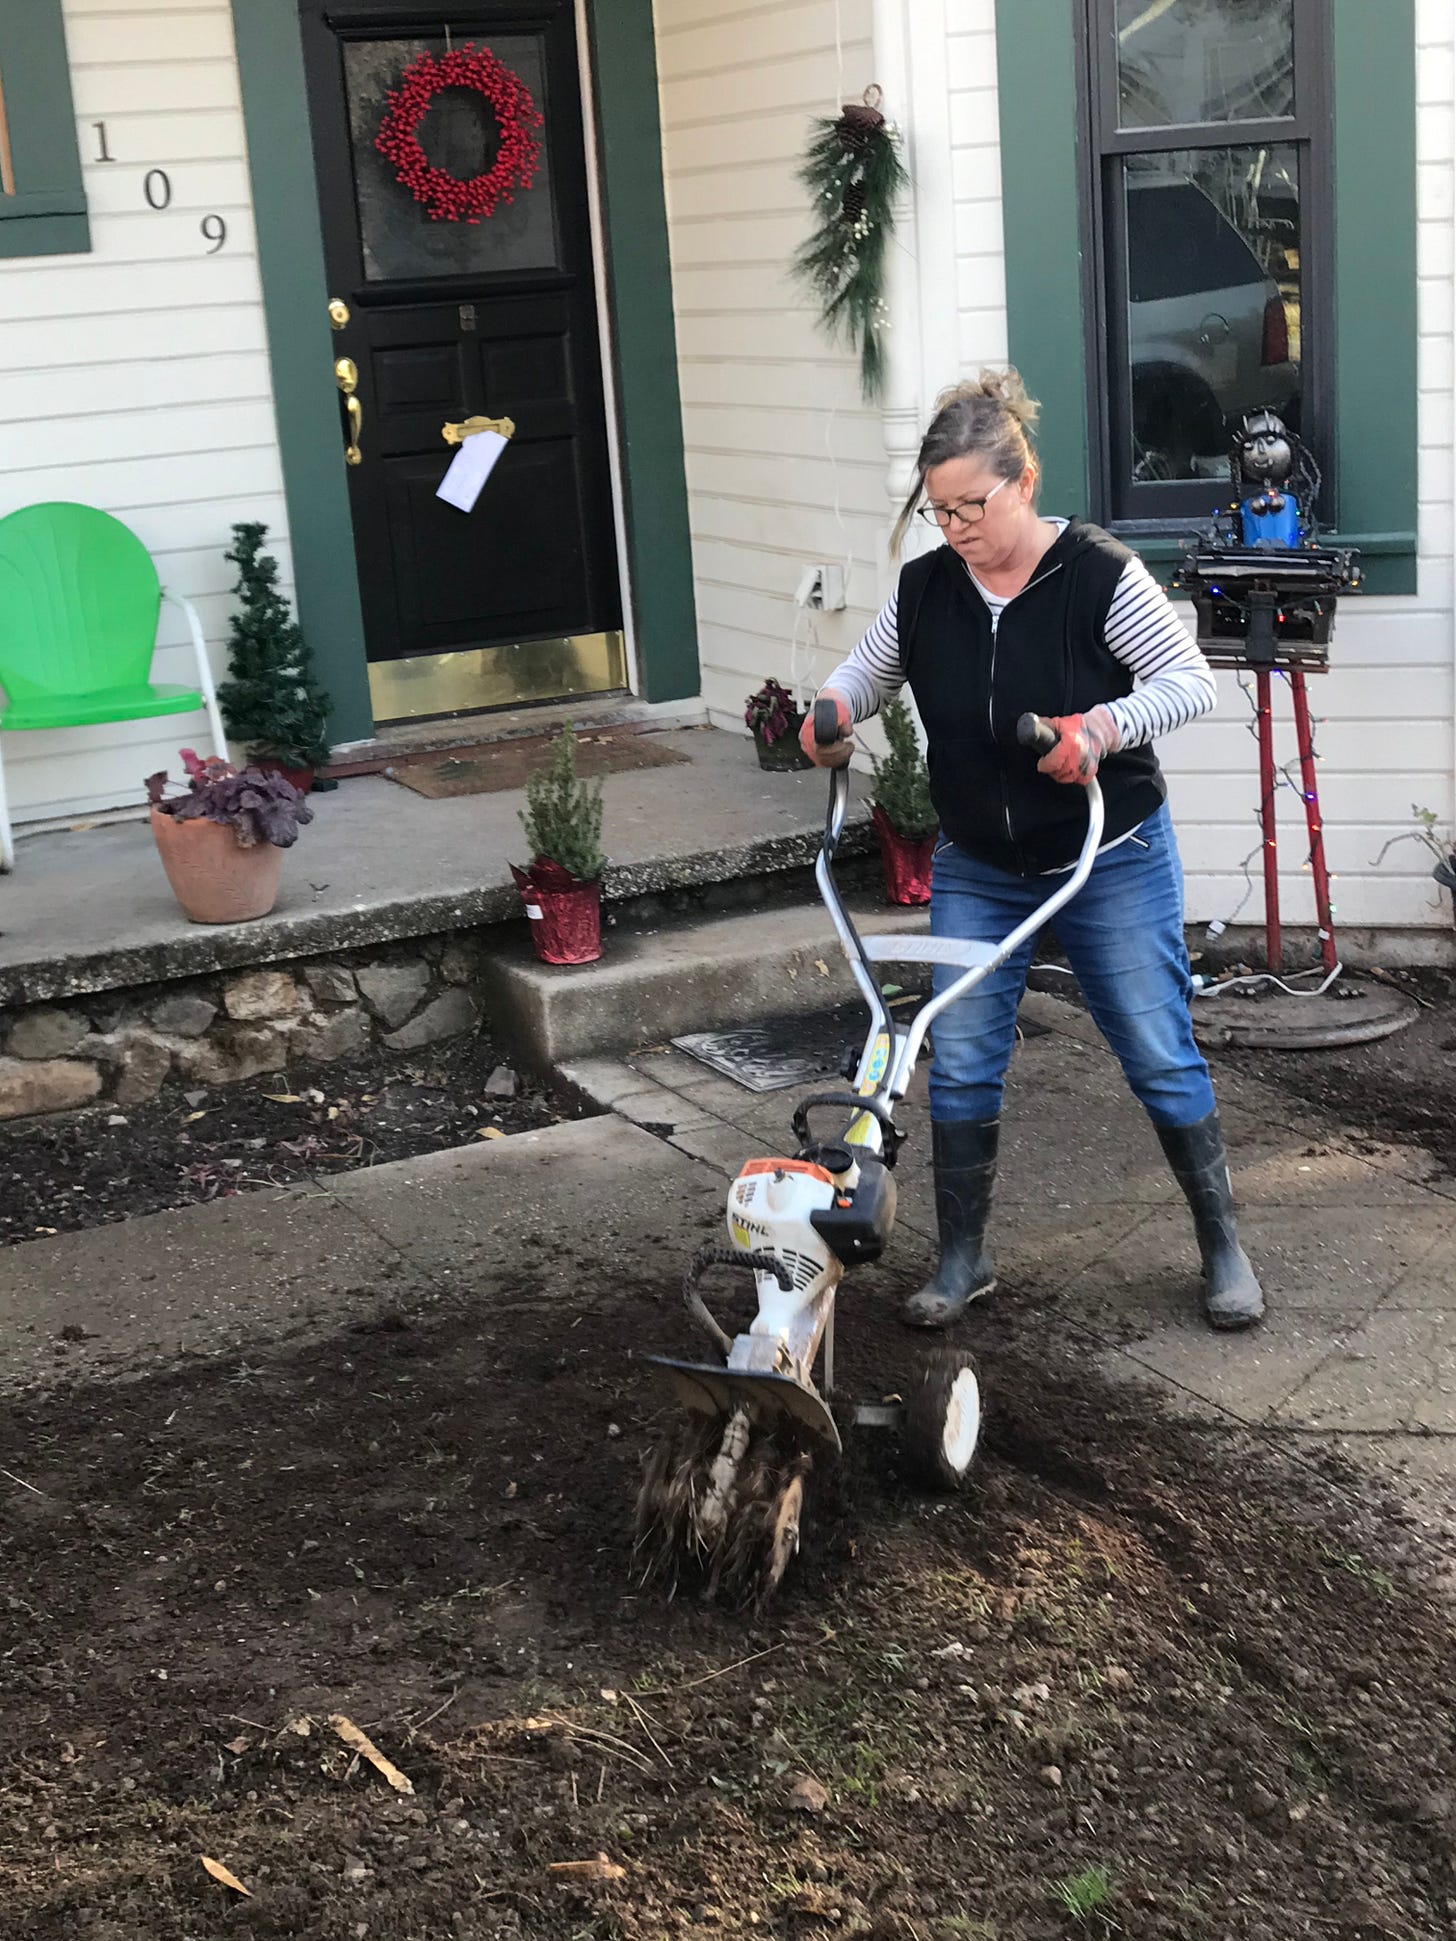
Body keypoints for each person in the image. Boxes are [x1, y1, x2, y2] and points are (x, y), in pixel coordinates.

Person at [800, 370, 1263, 1333]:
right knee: (961, 1057)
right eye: (939, 511)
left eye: (973, 504)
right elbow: (867, 673)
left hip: (1109, 854)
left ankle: (1222, 1242)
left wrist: (1099, 727)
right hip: (979, 862)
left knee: (1155, 1047)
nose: (957, 526)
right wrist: (834, 710)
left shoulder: (1094, 570)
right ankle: (964, 1258)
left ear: (1024, 480)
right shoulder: (927, 589)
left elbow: (1188, 683)